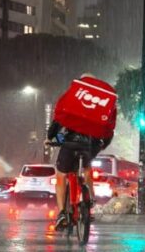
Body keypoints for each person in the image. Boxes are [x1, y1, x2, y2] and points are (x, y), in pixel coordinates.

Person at [47, 74, 118, 225]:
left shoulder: (75, 97)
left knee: (61, 175)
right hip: (91, 145)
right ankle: (90, 198)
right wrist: (102, 144)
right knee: (86, 168)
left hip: (71, 143)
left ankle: (61, 214)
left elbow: (59, 118)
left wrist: (50, 136)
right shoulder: (103, 102)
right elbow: (110, 129)